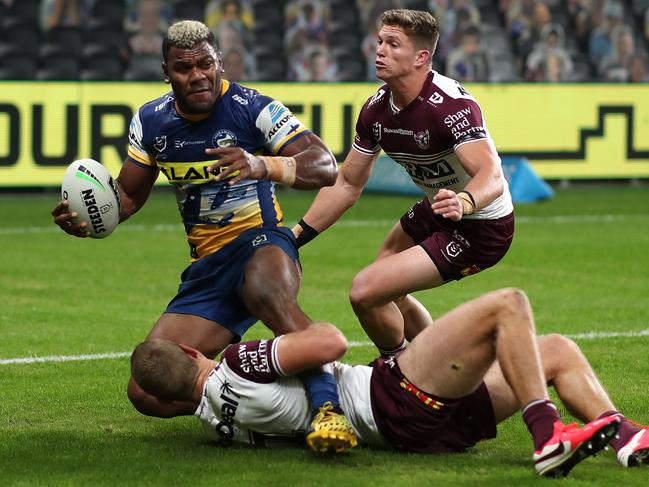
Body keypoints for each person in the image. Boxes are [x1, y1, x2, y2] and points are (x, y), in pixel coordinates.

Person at [51, 20, 356, 453]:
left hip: (262, 243)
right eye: (183, 68)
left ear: (219, 63)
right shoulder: (152, 121)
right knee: (147, 391)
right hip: (207, 270)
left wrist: (262, 165)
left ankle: (333, 411)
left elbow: (324, 165)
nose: (196, 75)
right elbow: (130, 197)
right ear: (166, 72)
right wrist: (92, 217)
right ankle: (264, 407)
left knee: (270, 295)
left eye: (205, 64)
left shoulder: (254, 108)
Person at [130, 288, 649, 476]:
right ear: (192, 350)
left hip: (417, 433)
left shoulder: (216, 422)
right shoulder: (237, 363)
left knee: (553, 350)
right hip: (393, 396)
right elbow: (329, 343)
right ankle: (547, 436)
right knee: (508, 305)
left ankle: (621, 434)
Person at [292, 9, 514, 357]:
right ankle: (439, 361)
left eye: (393, 44)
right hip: (440, 206)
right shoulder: (375, 110)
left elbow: (492, 175)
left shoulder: (452, 106)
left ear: (421, 57)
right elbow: (347, 184)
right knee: (385, 276)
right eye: (380, 41)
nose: (379, 49)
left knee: (366, 291)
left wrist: (466, 202)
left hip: (482, 224)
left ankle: (396, 369)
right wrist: (295, 237)